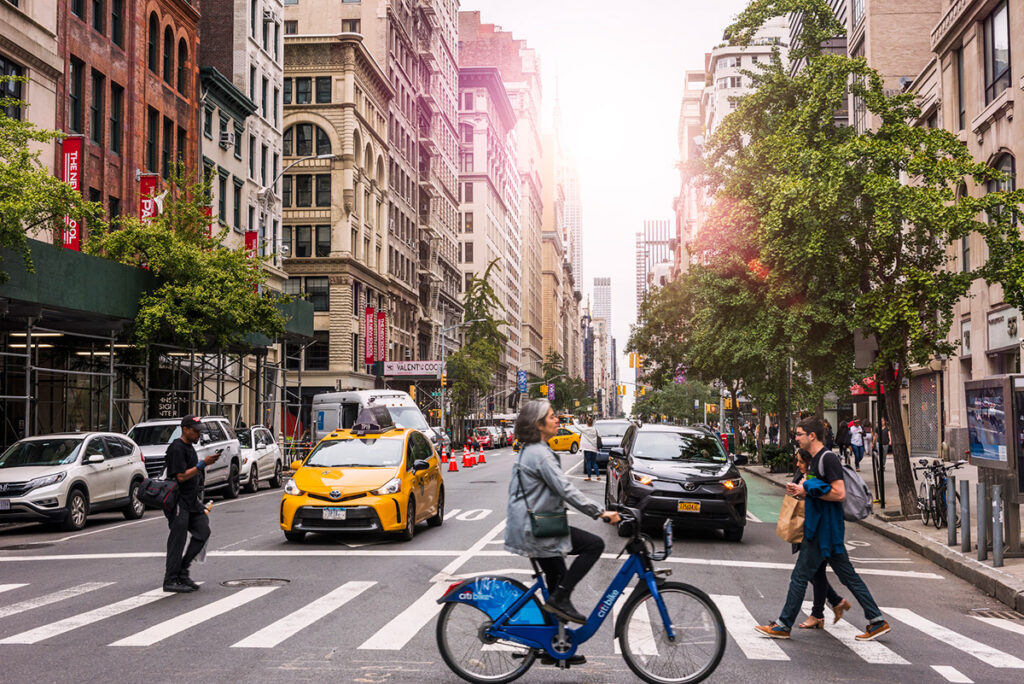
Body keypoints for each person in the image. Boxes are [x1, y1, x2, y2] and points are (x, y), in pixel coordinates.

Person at [755, 415, 890, 641]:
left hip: (822, 531)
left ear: (812, 436)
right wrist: (801, 488)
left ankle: (783, 625)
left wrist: (806, 490)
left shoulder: (827, 459)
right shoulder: (817, 459)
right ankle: (876, 620)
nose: (796, 438)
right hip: (826, 530)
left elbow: (839, 493)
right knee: (849, 578)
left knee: (799, 577)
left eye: (799, 434)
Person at [505, 399, 620, 629]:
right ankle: (561, 600)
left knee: (556, 582)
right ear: (538, 425)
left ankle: (556, 645)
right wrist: (600, 512)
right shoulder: (540, 454)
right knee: (593, 545)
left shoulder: (535, 450)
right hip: (537, 529)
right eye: (551, 416)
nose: (557, 420)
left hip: (535, 526)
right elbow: (565, 489)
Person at [790, 448, 849, 630]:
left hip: (819, 529)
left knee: (815, 572)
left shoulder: (816, 478)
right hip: (808, 526)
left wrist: (804, 489)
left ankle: (818, 614)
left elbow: (832, 495)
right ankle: (835, 602)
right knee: (815, 572)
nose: (797, 465)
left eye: (800, 461)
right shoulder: (804, 475)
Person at [164, 416, 221, 593]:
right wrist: (203, 464)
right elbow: (180, 476)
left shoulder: (189, 448)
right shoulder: (177, 448)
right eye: (196, 431)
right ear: (185, 429)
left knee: (203, 531)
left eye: (200, 431)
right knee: (178, 540)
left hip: (192, 500)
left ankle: (183, 570)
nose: (199, 434)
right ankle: (171, 579)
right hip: (179, 500)